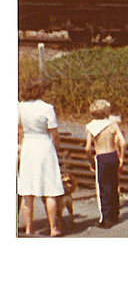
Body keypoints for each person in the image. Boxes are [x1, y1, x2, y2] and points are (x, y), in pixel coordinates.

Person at [17, 78, 65, 236]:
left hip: (28, 146)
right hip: (44, 145)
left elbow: (19, 130)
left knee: (27, 191)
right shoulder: (47, 108)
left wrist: (20, 145)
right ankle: (53, 228)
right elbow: (54, 133)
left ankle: (29, 228)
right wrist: (56, 149)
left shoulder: (20, 107)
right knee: (50, 188)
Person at [84, 99, 126, 228]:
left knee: (103, 188)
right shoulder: (112, 125)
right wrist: (122, 158)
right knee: (114, 185)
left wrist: (91, 161)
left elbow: (87, 148)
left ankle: (105, 218)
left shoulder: (91, 126)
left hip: (101, 156)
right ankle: (115, 214)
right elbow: (123, 142)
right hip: (113, 155)